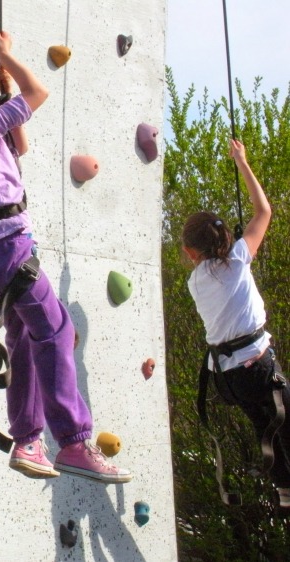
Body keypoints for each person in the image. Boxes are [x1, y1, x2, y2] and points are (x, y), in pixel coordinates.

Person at [0, 31, 132, 484]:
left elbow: (22, 144)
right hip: (5, 244)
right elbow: (41, 93)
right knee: (56, 330)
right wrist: (8, 59)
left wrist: (3, 93)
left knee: (26, 340)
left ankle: (28, 439)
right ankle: (72, 441)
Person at [182, 139, 290, 508]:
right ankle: (285, 486)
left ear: (190, 253)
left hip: (228, 378)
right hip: (256, 365)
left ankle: (284, 488)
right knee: (280, 422)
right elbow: (263, 211)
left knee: (269, 428)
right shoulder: (238, 261)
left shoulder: (195, 280)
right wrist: (242, 162)